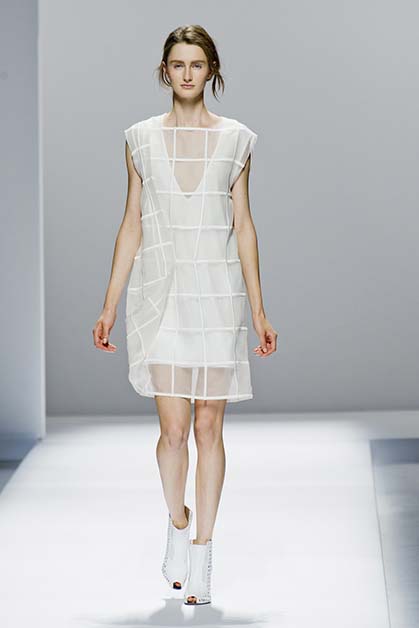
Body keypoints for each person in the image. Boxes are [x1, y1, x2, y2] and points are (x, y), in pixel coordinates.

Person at [92, 24, 277, 605]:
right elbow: (132, 223)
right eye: (178, 64)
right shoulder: (141, 140)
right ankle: (178, 520)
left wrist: (260, 309)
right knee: (172, 433)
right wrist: (109, 303)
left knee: (207, 428)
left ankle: (202, 553)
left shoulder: (237, 140)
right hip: (161, 294)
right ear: (165, 71)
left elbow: (243, 227)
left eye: (197, 64)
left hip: (217, 295)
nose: (188, 73)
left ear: (211, 70)